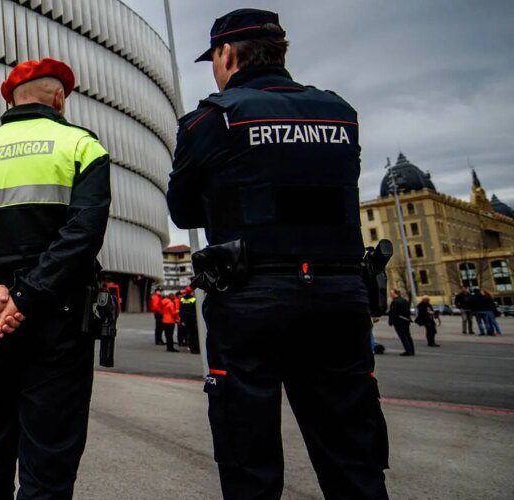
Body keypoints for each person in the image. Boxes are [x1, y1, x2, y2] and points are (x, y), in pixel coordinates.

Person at [167, 9, 389, 499]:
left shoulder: (213, 117)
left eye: (215, 59)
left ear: (227, 54)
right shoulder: (339, 112)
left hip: (252, 298)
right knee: (354, 456)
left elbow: (182, 210)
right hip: (339, 294)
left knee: (249, 458)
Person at [0, 57, 110, 499]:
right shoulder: (81, 146)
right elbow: (82, 235)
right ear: (59, 98)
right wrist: (25, 298)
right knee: (47, 464)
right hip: (59, 324)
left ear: (8, 100)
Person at [387, 289, 414, 356]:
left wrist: (390, 321)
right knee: (408, 336)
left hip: (399, 321)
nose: (390, 295)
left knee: (403, 336)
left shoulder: (395, 302)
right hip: (405, 320)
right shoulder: (404, 300)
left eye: (391, 293)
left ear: (395, 293)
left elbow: (393, 313)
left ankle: (408, 351)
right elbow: (408, 311)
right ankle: (411, 350)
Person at [179, 287, 200, 354]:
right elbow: (196, 310)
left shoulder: (182, 299)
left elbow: (181, 310)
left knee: (189, 333)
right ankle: (196, 348)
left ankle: (191, 347)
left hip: (186, 319)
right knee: (195, 334)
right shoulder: (194, 299)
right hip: (193, 319)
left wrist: (182, 320)